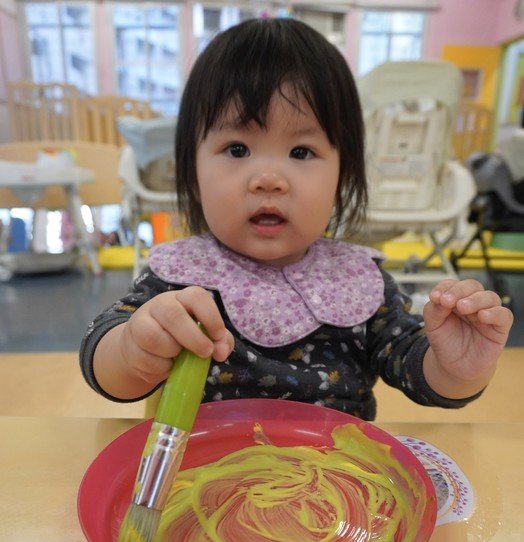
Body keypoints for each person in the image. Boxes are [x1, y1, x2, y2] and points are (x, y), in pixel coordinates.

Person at [80, 18, 513, 421]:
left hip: (334, 472)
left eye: (301, 152)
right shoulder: (182, 276)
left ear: (343, 176)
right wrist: (133, 349)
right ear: (192, 170)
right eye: (237, 149)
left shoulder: (359, 281)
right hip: (206, 470)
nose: (269, 179)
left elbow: (412, 366)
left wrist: (456, 368)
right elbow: (103, 357)